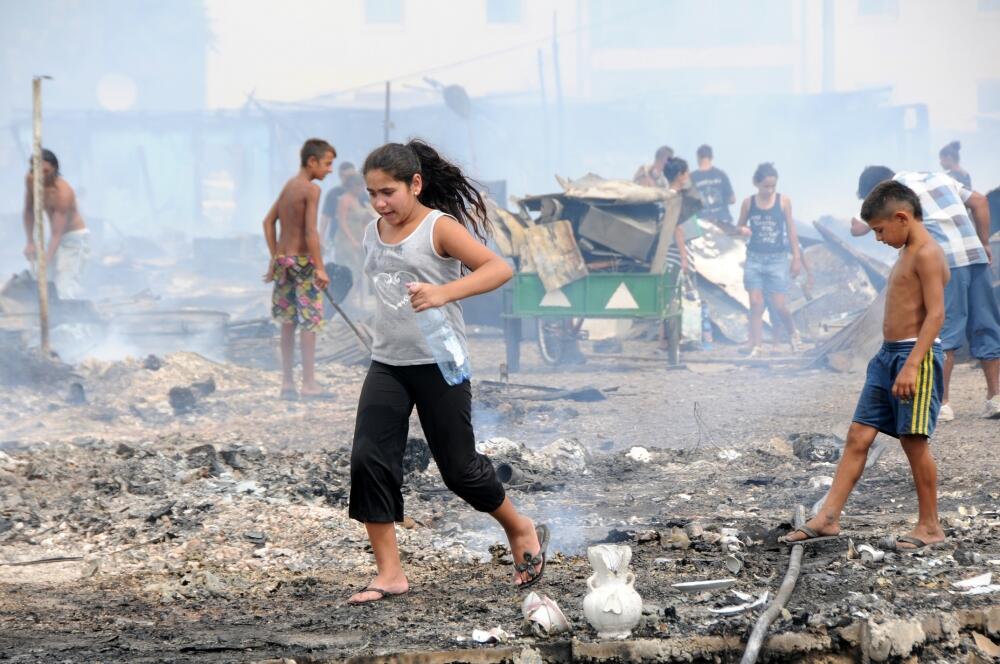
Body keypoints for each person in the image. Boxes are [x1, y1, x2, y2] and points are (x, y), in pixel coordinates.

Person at [348, 139, 547, 605]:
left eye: (389, 192)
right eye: (372, 193)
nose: (380, 203)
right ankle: (390, 573)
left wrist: (443, 293)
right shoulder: (371, 232)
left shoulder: (440, 228)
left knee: (459, 471)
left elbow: (498, 269)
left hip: (440, 363)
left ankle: (519, 528)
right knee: (368, 460)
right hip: (388, 363)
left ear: (415, 184)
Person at [785, 181, 949, 550]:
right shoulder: (905, 251)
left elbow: (936, 315)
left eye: (880, 229)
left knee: (913, 441)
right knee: (859, 434)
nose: (877, 238)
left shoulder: (927, 253)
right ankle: (828, 517)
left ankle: (930, 526)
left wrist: (911, 365)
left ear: (902, 217)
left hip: (914, 359)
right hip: (887, 355)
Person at [852, 166, 999, 419]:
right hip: (973, 254)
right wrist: (984, 242)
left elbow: (857, 226)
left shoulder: (894, 191)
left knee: (944, 329)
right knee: (986, 326)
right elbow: (980, 201)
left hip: (942, 259)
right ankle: (996, 397)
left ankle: (942, 403)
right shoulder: (937, 176)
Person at [262, 138, 334, 401]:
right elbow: (310, 231)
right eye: (327, 164)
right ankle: (309, 384)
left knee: (288, 322)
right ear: (312, 161)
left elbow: (268, 222)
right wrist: (321, 268)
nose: (329, 170)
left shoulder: (289, 186)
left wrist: (275, 257)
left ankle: (287, 384)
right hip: (304, 263)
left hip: (283, 262)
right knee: (310, 323)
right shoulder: (311, 189)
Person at [736, 163, 802, 356]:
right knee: (755, 303)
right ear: (756, 183)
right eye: (766, 186)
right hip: (754, 258)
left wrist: (796, 257)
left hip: (777, 259)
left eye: (773, 186)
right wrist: (741, 230)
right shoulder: (748, 203)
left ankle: (792, 333)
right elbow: (738, 227)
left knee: (779, 304)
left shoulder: (783, 201)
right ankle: (756, 346)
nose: (770, 190)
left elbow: (791, 229)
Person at [22, 149, 90, 299]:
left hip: (74, 239)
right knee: (46, 282)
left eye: (45, 171)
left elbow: (57, 233)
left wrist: (46, 261)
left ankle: (74, 317)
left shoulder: (62, 192)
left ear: (54, 168)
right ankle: (52, 318)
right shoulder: (31, 179)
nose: (40, 176)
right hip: (55, 238)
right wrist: (30, 242)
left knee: (64, 285)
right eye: (36, 170)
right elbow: (29, 210)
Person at [690, 144, 736, 232]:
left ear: (698, 157)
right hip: (723, 223)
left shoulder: (692, 178)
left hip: (702, 225)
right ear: (711, 157)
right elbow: (733, 199)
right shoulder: (721, 174)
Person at [319, 161, 357, 259]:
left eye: (351, 176)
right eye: (346, 176)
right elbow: (325, 217)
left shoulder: (361, 192)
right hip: (336, 237)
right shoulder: (334, 193)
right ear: (340, 176)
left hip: (357, 237)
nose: (349, 179)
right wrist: (321, 238)